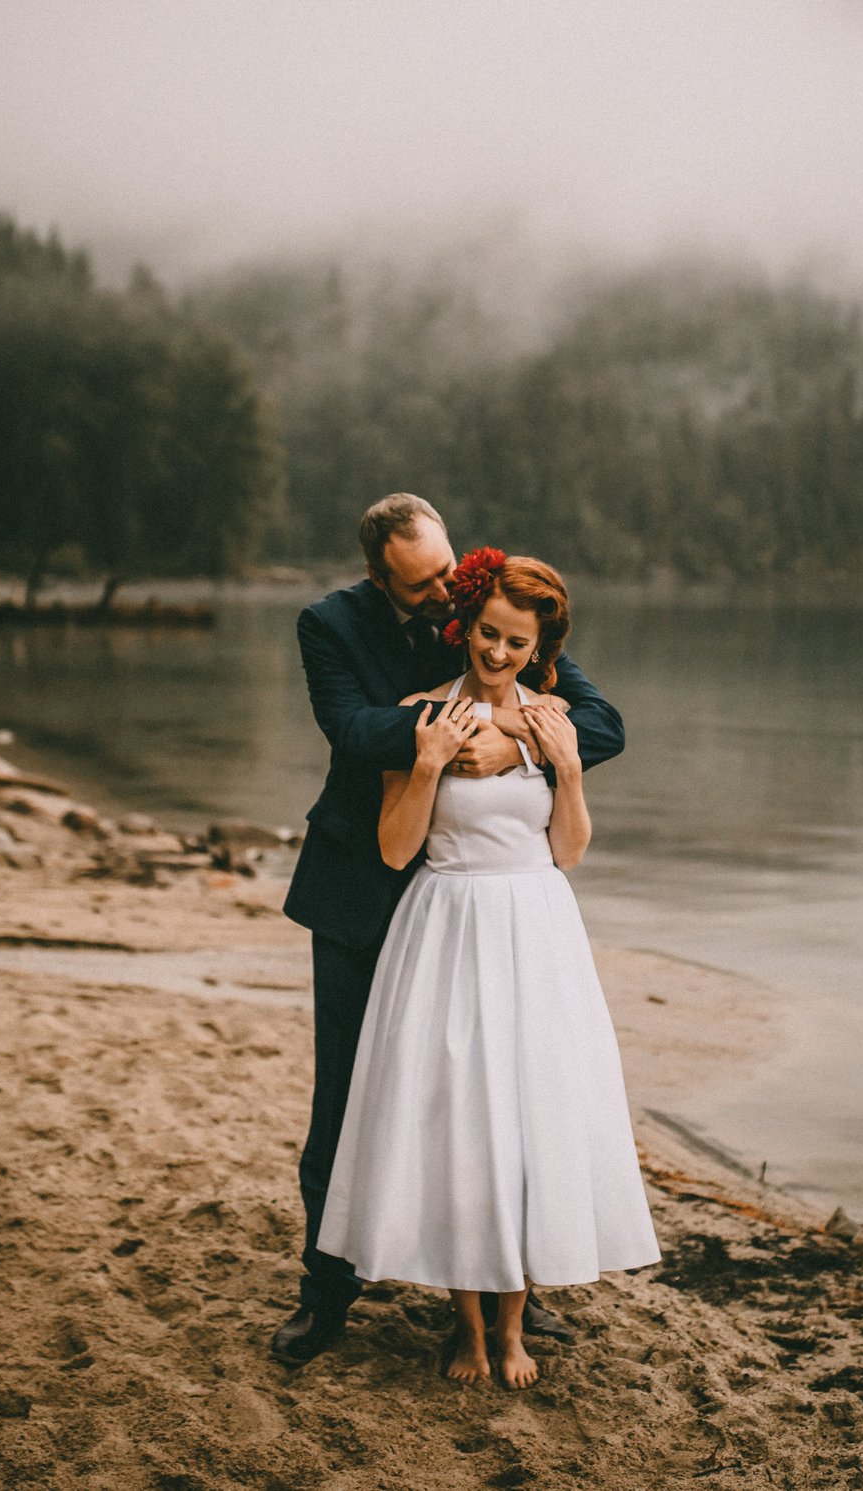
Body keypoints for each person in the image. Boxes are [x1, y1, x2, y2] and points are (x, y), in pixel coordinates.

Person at [275, 496, 626, 1364]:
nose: (444, 594)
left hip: (496, 899)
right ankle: (328, 1291)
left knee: (500, 1097)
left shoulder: (492, 614)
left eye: (448, 571)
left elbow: (602, 722)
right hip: (369, 881)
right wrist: (463, 725)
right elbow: (355, 729)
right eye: (425, 583)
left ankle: (506, 1275)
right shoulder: (331, 624)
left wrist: (519, 743)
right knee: (347, 1096)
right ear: (381, 576)